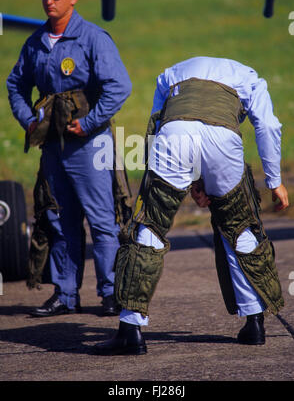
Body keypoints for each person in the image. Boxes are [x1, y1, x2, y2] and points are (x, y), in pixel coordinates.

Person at [93, 56, 289, 355]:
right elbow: (268, 125)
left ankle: (130, 329)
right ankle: (254, 323)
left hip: (175, 135)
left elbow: (157, 126)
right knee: (238, 225)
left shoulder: (169, 74)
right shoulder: (250, 77)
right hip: (224, 140)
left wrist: (189, 179)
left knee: (150, 227)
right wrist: (274, 180)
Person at [7, 0, 132, 317]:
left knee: (103, 221)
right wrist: (29, 120)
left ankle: (110, 294)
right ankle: (65, 295)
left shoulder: (93, 38)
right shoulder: (35, 42)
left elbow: (119, 86)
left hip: (89, 146)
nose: (49, 1)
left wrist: (89, 123)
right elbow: (15, 85)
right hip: (52, 146)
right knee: (59, 220)